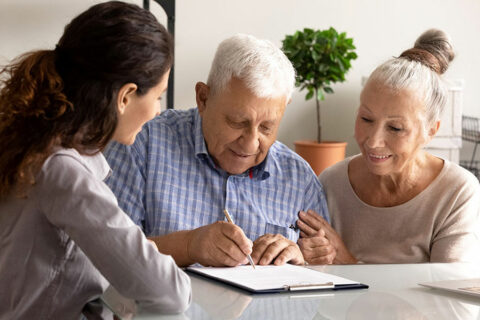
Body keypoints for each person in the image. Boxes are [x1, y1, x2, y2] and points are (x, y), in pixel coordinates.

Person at [0, 2, 191, 318]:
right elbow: (170, 292)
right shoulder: (63, 172)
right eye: (157, 96)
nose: (158, 110)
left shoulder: (34, 144)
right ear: (125, 96)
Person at [104, 33, 330, 267]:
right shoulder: (141, 144)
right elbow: (103, 254)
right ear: (203, 99)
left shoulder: (300, 180)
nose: (251, 143)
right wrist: (188, 245)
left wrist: (302, 260)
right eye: (238, 122)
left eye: (266, 127)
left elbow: (328, 284)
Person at [296, 29, 480, 264]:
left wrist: (348, 262)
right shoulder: (331, 183)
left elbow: (444, 296)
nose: (373, 141)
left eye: (395, 128)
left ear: (431, 131)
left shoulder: (456, 192)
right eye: (366, 119)